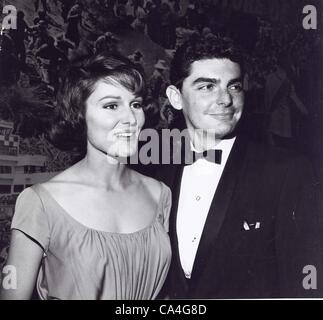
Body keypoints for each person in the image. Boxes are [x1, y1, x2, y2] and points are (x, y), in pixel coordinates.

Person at [153, 35, 322, 298]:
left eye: (233, 87)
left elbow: (303, 285)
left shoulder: (287, 172)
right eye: (207, 87)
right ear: (176, 97)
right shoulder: (157, 165)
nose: (225, 100)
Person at [0, 52, 171, 300]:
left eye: (135, 104)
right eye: (112, 105)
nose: (131, 118)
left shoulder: (160, 195)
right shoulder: (40, 202)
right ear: (79, 116)